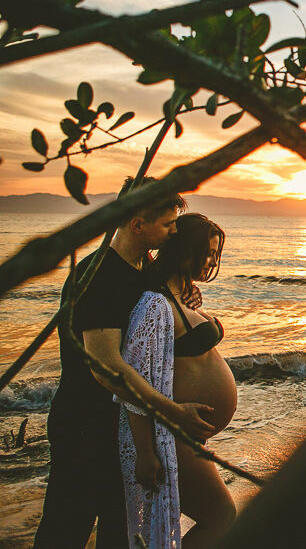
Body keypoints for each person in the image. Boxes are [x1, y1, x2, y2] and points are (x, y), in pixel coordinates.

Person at [34, 179, 216, 549]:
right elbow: (107, 368)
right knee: (66, 530)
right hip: (85, 429)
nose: (174, 231)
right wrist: (173, 412)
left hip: (121, 431)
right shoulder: (100, 276)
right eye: (167, 224)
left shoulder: (139, 266)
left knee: (120, 532)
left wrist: (185, 291)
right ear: (137, 225)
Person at [120, 213, 238, 548]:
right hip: (170, 435)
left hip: (186, 435)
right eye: (207, 252)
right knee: (221, 516)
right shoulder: (154, 304)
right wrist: (145, 453)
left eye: (216, 254)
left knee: (218, 516)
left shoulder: (178, 295)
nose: (212, 261)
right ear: (185, 249)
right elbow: (133, 381)